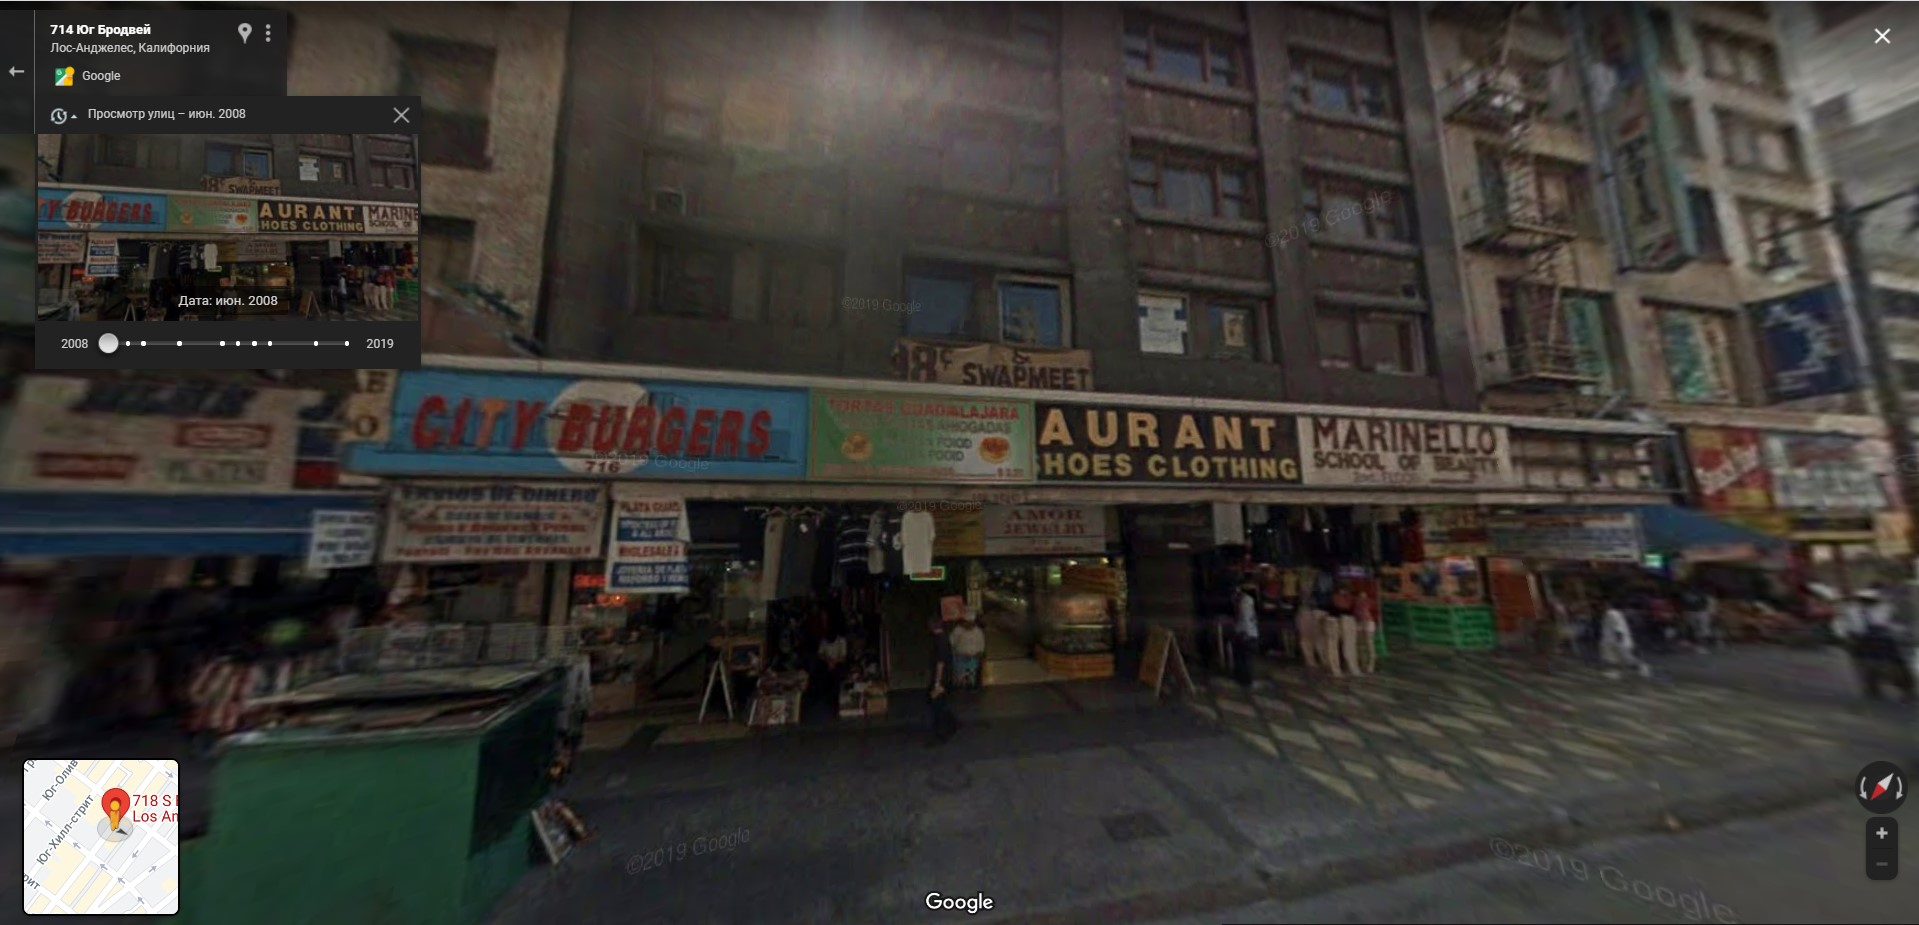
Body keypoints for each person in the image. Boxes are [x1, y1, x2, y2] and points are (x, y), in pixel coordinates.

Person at [1834, 589, 1915, 703]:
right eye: (1865, 600)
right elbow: (1842, 625)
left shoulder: (1886, 608)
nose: (1867, 602)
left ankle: (1905, 690)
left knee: (1891, 668)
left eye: (1870, 600)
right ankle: (1873, 688)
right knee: (1868, 666)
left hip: (1882, 642)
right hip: (1864, 642)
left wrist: (1898, 633)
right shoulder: (1853, 610)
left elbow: (1896, 624)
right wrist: (1845, 638)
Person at [926, 617, 960, 744]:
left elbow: (940, 663)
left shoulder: (939, 641)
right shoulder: (944, 639)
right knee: (940, 703)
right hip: (946, 678)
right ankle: (951, 725)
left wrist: (937, 682)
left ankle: (942, 732)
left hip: (941, 679)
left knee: (937, 705)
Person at [1599, 600, 1650, 680]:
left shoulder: (1612, 613)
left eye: (1604, 605)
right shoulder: (1613, 614)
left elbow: (1618, 626)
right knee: (1616, 658)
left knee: (1625, 658)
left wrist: (1619, 640)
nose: (1602, 607)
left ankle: (1642, 667)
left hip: (1617, 641)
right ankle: (1617, 672)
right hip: (1613, 640)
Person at [1326, 585, 1358, 678]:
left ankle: (1338, 669)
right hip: (1339, 618)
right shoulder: (1342, 597)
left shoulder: (1336, 597)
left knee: (1335, 645)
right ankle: (1343, 668)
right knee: (1342, 644)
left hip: (1336, 618)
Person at [1232, 582, 1259, 688]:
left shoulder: (1237, 598)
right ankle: (1247, 681)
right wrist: (1247, 632)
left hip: (1239, 630)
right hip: (1248, 632)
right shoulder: (1247, 600)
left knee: (1241, 657)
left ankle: (1241, 678)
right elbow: (1247, 617)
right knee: (1247, 658)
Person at [950, 609, 986, 690]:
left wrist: (979, 654)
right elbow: (951, 643)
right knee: (960, 679)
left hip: (973, 659)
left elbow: (981, 645)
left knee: (971, 679)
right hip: (960, 658)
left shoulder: (978, 631)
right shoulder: (957, 630)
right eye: (968, 622)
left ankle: (971, 687)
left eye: (971, 623)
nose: (969, 625)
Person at [1354, 588, 1379, 675]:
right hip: (1360, 622)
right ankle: (1364, 664)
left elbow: (1375, 613)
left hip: (1368, 622)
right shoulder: (1357, 602)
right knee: (1361, 644)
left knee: (1368, 643)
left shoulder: (1369, 602)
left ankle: (1370, 665)